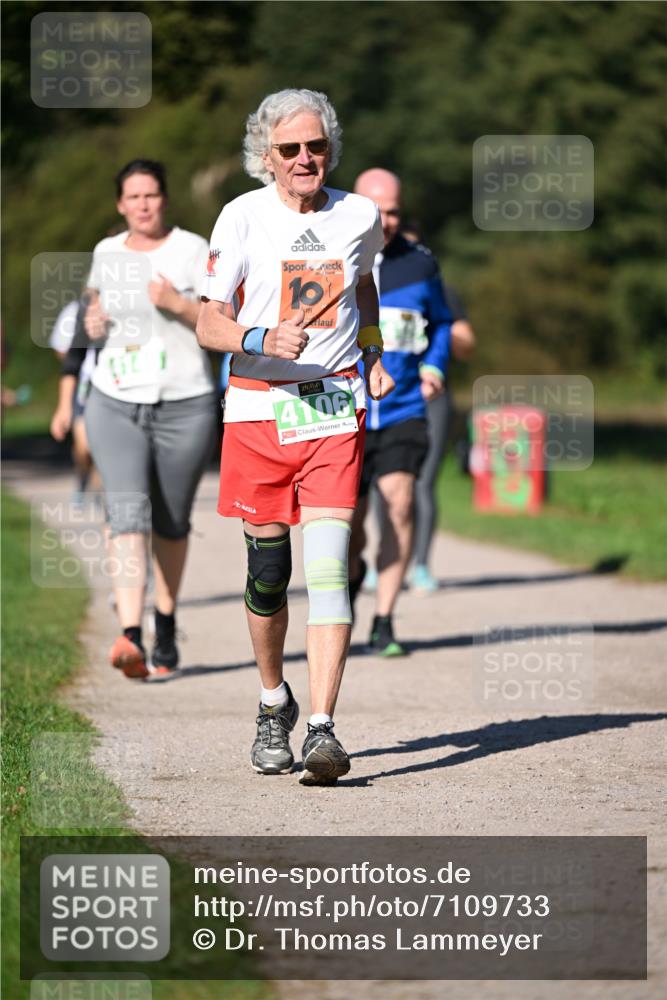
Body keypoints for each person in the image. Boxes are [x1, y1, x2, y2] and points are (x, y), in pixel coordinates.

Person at [197, 88, 394, 785]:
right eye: (290, 149)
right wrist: (258, 336)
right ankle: (271, 699)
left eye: (315, 146)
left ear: (328, 148)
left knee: (329, 571)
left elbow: (363, 283)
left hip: (333, 410)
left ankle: (322, 729)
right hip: (255, 409)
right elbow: (207, 322)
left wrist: (371, 351)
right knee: (269, 575)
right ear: (265, 157)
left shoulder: (360, 214)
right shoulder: (241, 217)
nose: (305, 158)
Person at [80, 159, 218, 681]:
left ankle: (165, 618)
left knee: (171, 521)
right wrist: (93, 320)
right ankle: (130, 634)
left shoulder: (194, 248)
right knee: (127, 515)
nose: (143, 204)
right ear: (120, 205)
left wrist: (176, 303)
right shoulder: (106, 253)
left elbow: (218, 323)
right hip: (114, 398)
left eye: (152, 195)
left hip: (185, 401)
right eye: (133, 197)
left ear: (165, 199)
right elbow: (94, 313)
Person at [348, 169, 452, 655]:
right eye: (376, 211)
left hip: (406, 407)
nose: (386, 221)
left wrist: (434, 365)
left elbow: (443, 322)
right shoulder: (334, 256)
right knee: (348, 523)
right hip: (346, 412)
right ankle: (348, 588)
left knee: (401, 504)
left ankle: (385, 620)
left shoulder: (421, 264)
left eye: (393, 211)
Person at [411, 284, 476, 592]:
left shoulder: (443, 293)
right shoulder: (374, 285)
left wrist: (443, 329)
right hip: (390, 397)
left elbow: (467, 346)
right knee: (386, 484)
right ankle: (382, 563)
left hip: (434, 398)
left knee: (424, 480)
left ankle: (421, 565)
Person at [49, 297, 100, 505]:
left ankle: (100, 491)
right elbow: (60, 347)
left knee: (102, 442)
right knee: (84, 445)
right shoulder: (74, 311)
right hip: (83, 384)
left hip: (110, 384)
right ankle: (82, 477)